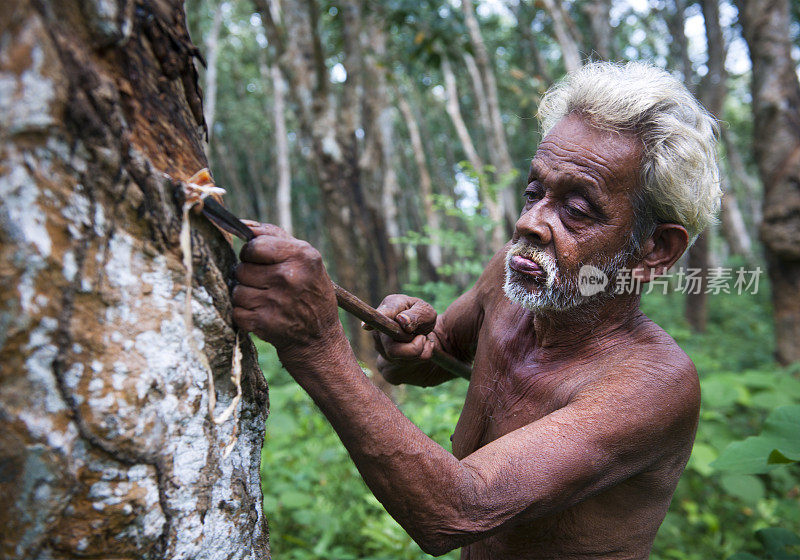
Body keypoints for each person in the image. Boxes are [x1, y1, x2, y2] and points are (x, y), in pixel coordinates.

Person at [231, 61, 721, 559]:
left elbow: (458, 512)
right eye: (534, 192)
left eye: (576, 210)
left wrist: (316, 345)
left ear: (655, 249)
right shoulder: (511, 281)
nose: (530, 222)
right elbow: (432, 352)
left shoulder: (651, 386)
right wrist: (407, 342)